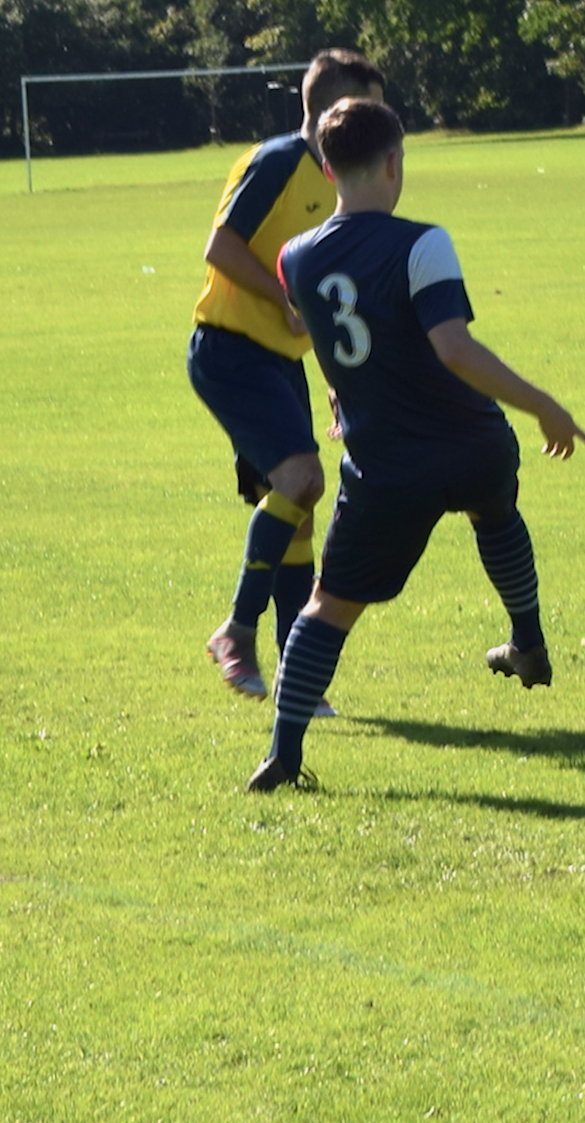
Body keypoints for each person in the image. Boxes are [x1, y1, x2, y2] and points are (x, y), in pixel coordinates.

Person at [247, 97, 585, 792]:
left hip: (384, 467)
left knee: (329, 607)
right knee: (495, 511)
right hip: (471, 441)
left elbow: (329, 338)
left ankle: (284, 757)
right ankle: (527, 637)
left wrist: (345, 394)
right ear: (395, 162)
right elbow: (454, 348)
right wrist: (543, 405)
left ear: (325, 168)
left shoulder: (293, 257)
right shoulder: (422, 242)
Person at [187, 48, 386, 705]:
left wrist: (332, 372)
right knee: (303, 479)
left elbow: (315, 290)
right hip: (229, 349)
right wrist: (285, 302)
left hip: (279, 361)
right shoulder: (276, 162)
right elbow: (220, 248)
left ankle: (295, 677)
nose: (383, 123)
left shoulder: (334, 184)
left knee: (298, 512)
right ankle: (236, 632)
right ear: (334, 111)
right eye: (370, 109)